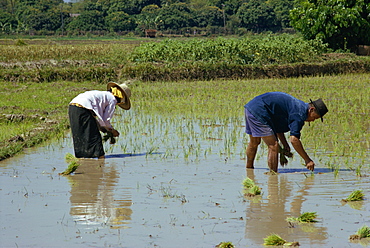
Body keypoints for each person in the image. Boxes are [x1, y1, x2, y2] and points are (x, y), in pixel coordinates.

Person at [244, 92, 328, 172]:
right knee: (273, 145)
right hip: (260, 111)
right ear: (311, 110)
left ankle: (249, 170)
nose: (313, 120)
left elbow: (278, 128)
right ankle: (273, 176)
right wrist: (307, 160)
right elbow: (294, 140)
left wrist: (285, 144)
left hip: (251, 108)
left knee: (254, 142)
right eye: (315, 117)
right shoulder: (299, 114)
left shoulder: (299, 106)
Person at [68, 82, 131, 158]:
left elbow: (93, 118)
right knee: (95, 140)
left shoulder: (103, 95)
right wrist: (112, 131)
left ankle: (83, 162)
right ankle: (101, 160)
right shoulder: (112, 99)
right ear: (121, 97)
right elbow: (106, 121)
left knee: (80, 136)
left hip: (73, 107)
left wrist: (102, 128)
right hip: (83, 108)